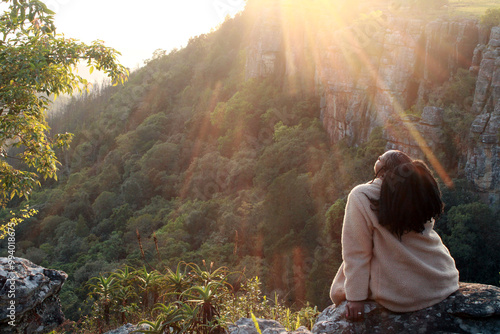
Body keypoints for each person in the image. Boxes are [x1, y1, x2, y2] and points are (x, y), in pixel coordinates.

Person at [330, 150, 459, 321]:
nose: (376, 159)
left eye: (379, 158)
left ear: (382, 167)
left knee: (339, 287)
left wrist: (356, 298)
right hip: (440, 279)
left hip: (401, 292)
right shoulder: (419, 189)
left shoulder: (362, 195)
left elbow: (357, 252)